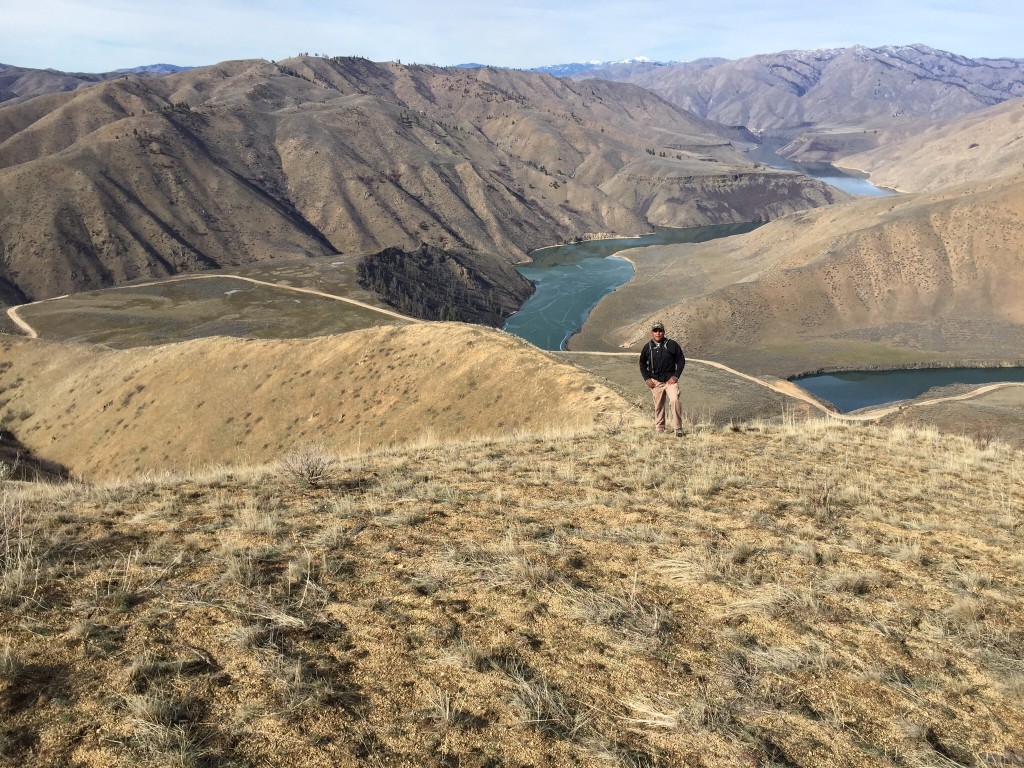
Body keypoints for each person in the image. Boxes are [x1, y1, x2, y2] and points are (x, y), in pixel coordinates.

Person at [639, 321, 685, 435]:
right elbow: (642, 364)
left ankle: (678, 428)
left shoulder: (672, 345)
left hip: (670, 381)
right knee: (658, 405)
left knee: (675, 400)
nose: (658, 333)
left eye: (660, 331)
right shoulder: (647, 347)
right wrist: (647, 379)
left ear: (663, 332)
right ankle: (660, 429)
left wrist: (676, 376)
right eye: (655, 331)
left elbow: (681, 360)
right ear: (652, 333)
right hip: (655, 382)